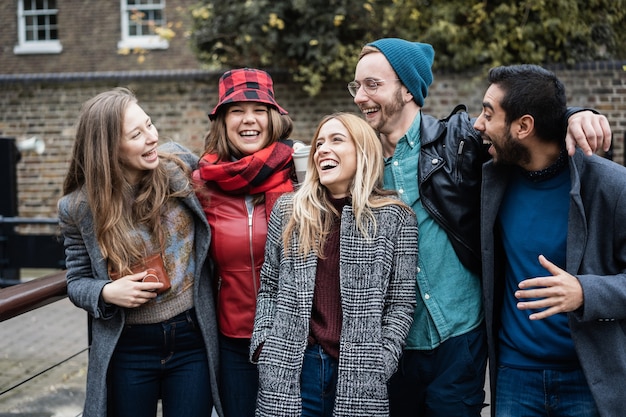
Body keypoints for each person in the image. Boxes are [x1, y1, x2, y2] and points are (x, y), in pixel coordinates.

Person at [349, 37, 613, 416]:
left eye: (372, 84)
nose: (360, 96)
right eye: (356, 86)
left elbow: (522, 124)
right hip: (394, 344)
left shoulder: (459, 142)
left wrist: (574, 114)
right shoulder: (359, 162)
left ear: (407, 89)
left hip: (460, 338)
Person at [57, 87, 222, 417]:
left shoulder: (178, 166)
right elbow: (75, 281)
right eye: (136, 134)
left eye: (150, 124)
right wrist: (105, 291)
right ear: (109, 149)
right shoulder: (78, 207)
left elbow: (233, 176)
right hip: (128, 346)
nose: (152, 137)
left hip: (193, 336)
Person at [476, 64, 625, 417]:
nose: (477, 125)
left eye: (487, 114)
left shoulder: (611, 186)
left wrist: (585, 292)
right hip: (514, 376)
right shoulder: (490, 176)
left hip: (589, 379)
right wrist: (573, 115)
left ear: (523, 126)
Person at [250, 112, 418, 417]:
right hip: (292, 370)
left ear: (363, 151)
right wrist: (265, 347)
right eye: (319, 144)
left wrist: (382, 361)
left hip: (359, 374)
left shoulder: (396, 217)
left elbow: (400, 303)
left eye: (336, 140)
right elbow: (269, 287)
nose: (322, 150)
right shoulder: (289, 211)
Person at [192, 68, 299, 417]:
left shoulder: (300, 175)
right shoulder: (201, 185)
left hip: (294, 336)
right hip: (234, 340)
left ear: (273, 118)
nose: (248, 119)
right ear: (222, 121)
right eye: (237, 110)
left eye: (258, 109)